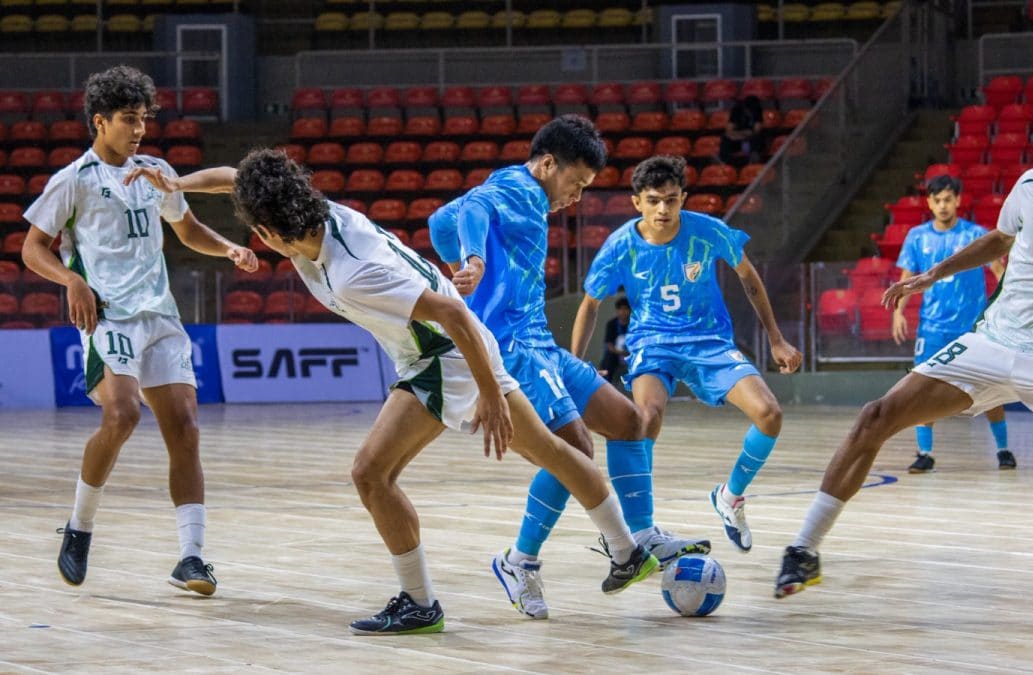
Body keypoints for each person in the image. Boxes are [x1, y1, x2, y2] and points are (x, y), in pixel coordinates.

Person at [128, 148, 658, 634]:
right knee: (551, 451)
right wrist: (177, 181)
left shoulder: (354, 272)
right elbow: (239, 180)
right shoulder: (313, 214)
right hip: (455, 351)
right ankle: (626, 549)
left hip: (444, 356)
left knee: (370, 472)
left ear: (266, 234)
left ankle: (420, 603)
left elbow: (452, 313)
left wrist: (489, 393)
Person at [774, 98, 1033, 624]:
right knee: (874, 417)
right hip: (992, 344)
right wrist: (934, 275)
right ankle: (804, 548)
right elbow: (1000, 237)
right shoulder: (1031, 189)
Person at [427, 116, 708, 621]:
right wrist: (472, 259)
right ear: (548, 163)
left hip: (541, 343)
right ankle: (520, 561)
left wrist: (462, 262)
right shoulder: (517, 187)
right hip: (511, 350)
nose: (575, 197)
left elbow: (439, 221)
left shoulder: (523, 194)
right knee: (574, 449)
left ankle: (640, 533)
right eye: (576, 183)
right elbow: (472, 207)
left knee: (627, 422)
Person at [21, 65, 259, 596]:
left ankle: (191, 558)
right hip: (108, 314)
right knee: (123, 413)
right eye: (129, 120)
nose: (139, 130)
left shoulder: (156, 170)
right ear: (99, 122)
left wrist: (228, 248)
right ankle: (79, 527)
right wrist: (70, 282)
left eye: (144, 120)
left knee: (186, 428)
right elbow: (31, 247)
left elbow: (186, 228)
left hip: (160, 315)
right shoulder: (73, 179)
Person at [571, 155, 803, 552]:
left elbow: (748, 276)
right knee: (646, 418)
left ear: (684, 198)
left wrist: (776, 338)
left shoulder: (709, 231)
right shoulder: (620, 245)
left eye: (672, 200)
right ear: (637, 202)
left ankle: (730, 496)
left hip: (710, 342)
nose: (664, 209)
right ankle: (639, 529)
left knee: (770, 415)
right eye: (655, 200)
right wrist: (574, 366)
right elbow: (590, 305)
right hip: (652, 343)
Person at [892, 174, 1014, 473]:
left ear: (958, 200)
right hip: (932, 328)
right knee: (921, 390)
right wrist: (898, 311)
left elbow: (1000, 272)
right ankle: (925, 453)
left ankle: (1004, 449)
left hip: (973, 328)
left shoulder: (976, 235)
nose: (943, 205)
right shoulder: (917, 237)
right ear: (929, 203)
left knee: (989, 389)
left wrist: (1008, 305)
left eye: (948, 199)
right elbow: (906, 279)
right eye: (937, 200)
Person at [720, 95, 765, 165]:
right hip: (737, 138)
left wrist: (746, 134)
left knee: (757, 138)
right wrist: (742, 134)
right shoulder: (737, 110)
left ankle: (753, 159)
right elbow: (729, 129)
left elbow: (757, 130)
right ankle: (724, 161)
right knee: (725, 138)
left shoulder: (757, 110)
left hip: (750, 139)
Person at [598, 296, 631, 384]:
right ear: (617, 311)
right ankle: (605, 385)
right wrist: (621, 353)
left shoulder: (635, 323)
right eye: (620, 309)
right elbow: (609, 345)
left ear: (630, 310)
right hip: (616, 354)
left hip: (632, 354)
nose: (623, 312)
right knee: (607, 361)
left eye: (626, 309)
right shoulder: (611, 324)